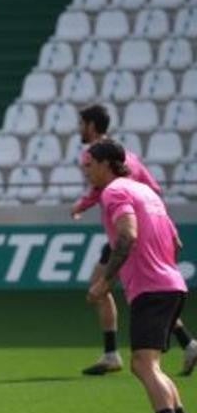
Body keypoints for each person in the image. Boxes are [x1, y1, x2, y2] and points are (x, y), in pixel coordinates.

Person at [84, 139, 194, 413]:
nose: (86, 171)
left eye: (90, 165)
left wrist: (104, 282)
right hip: (172, 283)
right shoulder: (143, 191)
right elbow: (176, 239)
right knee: (152, 366)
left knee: (143, 365)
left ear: (106, 164)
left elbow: (127, 235)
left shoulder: (115, 192)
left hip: (152, 289)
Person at [71, 105, 197, 376]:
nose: (79, 128)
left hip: (129, 233)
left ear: (91, 126)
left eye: (81, 123)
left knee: (109, 286)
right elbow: (153, 189)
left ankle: (111, 353)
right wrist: (166, 225)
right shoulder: (127, 156)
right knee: (148, 293)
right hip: (144, 229)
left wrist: (80, 205)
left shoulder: (98, 157)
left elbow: (99, 191)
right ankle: (188, 343)